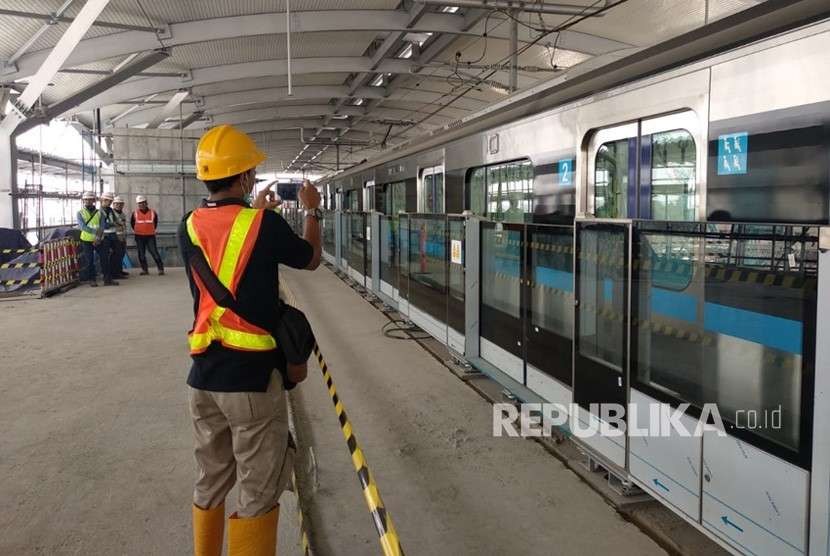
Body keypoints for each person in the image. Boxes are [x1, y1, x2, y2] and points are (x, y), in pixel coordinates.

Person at [178, 124, 322, 556]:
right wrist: (313, 211)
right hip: (252, 384)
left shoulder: (189, 225)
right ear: (242, 178)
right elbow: (310, 259)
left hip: (203, 379)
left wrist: (253, 209)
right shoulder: (266, 225)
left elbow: (230, 246)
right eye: (252, 173)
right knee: (258, 493)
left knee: (211, 481)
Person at [131, 195, 165, 275]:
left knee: (154, 252)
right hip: (139, 236)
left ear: (146, 203)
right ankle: (144, 270)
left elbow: (155, 223)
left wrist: (149, 230)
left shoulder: (153, 212)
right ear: (138, 204)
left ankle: (160, 269)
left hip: (150, 236)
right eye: (140, 203)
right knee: (141, 254)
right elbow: (132, 224)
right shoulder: (135, 213)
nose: (141, 205)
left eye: (143, 203)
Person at [77, 191, 101, 286]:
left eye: (90, 199)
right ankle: (92, 279)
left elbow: (102, 225)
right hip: (86, 240)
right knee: (89, 260)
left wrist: (98, 237)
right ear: (83, 201)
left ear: (94, 200)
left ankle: (107, 277)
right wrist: (96, 232)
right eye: (86, 199)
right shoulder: (80, 213)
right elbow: (83, 227)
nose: (88, 201)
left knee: (104, 258)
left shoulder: (99, 213)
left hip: (98, 239)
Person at [96, 192, 120, 286]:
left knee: (117, 253)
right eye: (107, 200)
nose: (109, 202)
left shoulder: (110, 210)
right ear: (102, 200)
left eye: (110, 201)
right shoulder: (98, 211)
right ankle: (107, 278)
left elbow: (116, 220)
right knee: (104, 257)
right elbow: (102, 225)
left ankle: (111, 275)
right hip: (103, 236)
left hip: (113, 235)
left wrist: (116, 223)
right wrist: (113, 224)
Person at [110, 196, 129, 279]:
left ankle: (119, 270)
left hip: (122, 238)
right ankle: (115, 274)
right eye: (117, 204)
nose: (119, 205)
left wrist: (124, 238)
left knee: (121, 255)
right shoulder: (111, 214)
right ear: (113, 204)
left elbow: (123, 226)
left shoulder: (122, 214)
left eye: (120, 204)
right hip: (115, 238)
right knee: (116, 256)